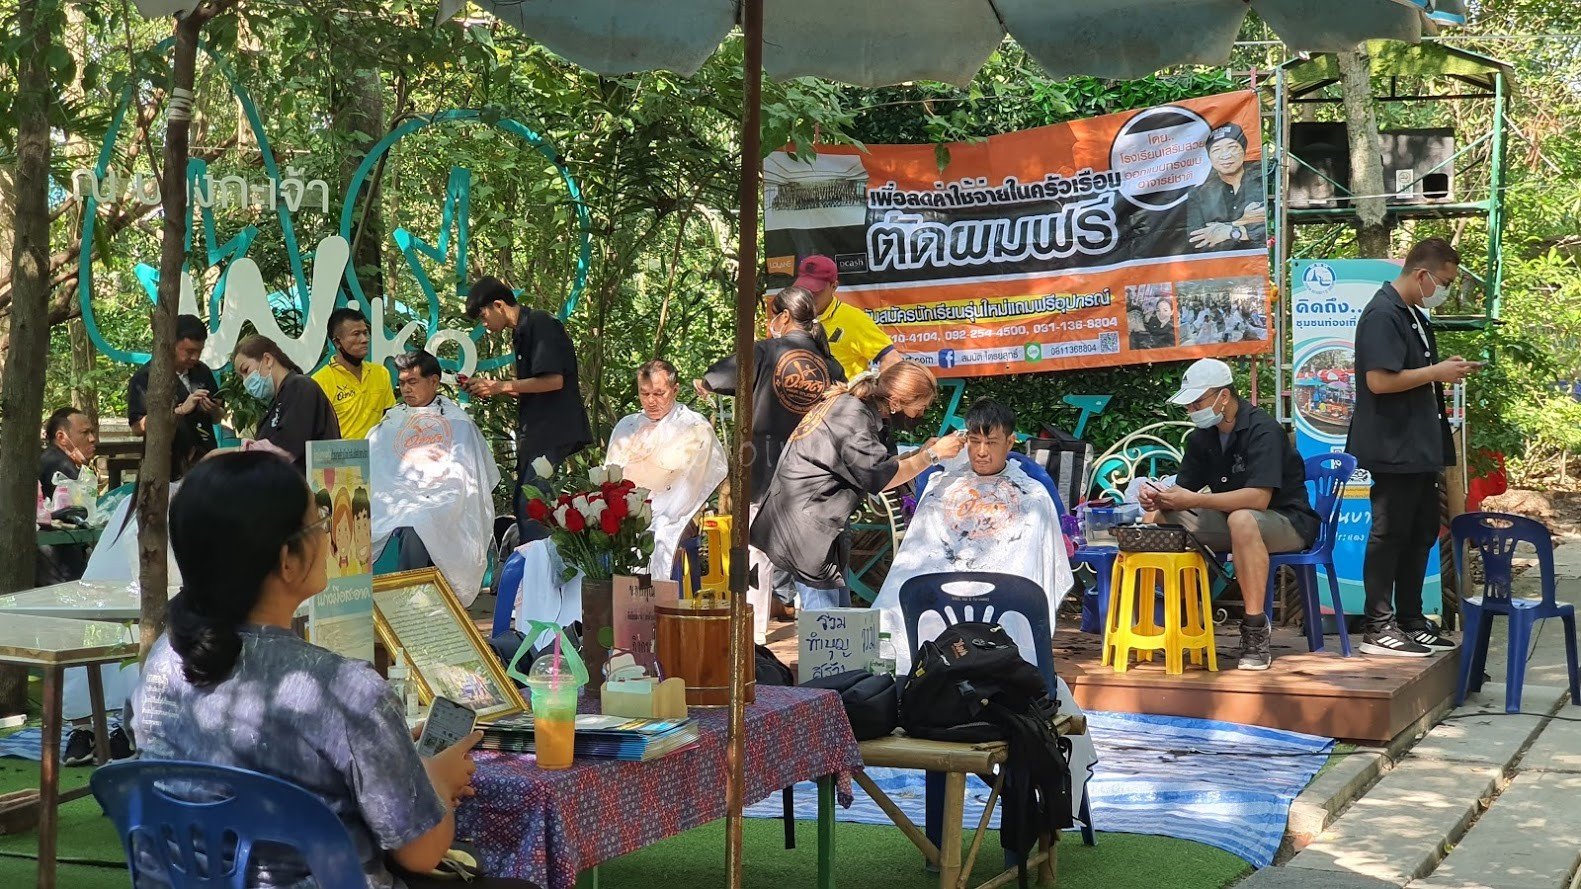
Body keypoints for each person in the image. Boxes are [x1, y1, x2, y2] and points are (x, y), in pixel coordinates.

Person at [131, 452, 539, 889]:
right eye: (319, 523)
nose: (329, 535)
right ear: (288, 560)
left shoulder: (162, 662)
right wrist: (436, 782)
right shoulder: (347, 691)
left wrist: (388, 747)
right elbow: (423, 852)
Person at [1141, 358, 1320, 671]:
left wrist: (1194, 499)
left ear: (1223, 396)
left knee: (1242, 518)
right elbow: (1183, 490)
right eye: (1188, 405)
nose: (1191, 410)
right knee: (1155, 519)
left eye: (1197, 402)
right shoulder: (1202, 436)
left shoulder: (1263, 429)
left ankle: (1255, 629)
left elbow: (1258, 499)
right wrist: (1158, 498)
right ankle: (1174, 616)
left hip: (1287, 521)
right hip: (1233, 521)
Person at [873, 399, 1075, 674]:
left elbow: (1033, 568)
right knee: (894, 615)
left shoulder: (1033, 495)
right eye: (975, 441)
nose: (981, 452)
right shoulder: (941, 488)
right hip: (938, 589)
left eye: (991, 442)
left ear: (1010, 442)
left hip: (1003, 594)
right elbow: (918, 556)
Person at [1349, 237, 1478, 657]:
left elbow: (1417, 373)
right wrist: (1435, 372)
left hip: (1419, 444)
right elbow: (1378, 381)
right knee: (1389, 532)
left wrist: (1443, 370)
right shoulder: (1382, 314)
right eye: (1444, 282)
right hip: (1392, 444)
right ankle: (1377, 626)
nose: (1444, 291)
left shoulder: (1414, 315)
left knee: (1421, 530)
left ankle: (1410, 618)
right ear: (1422, 274)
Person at [751, 359, 964, 613]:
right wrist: (932, 456)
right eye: (919, 408)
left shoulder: (861, 411)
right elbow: (881, 478)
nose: (921, 415)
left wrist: (921, 453)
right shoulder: (852, 417)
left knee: (841, 621)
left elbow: (881, 465)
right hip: (806, 526)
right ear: (896, 402)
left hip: (817, 521)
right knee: (826, 623)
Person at [697, 286, 846, 642]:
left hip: (762, 470)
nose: (768, 323)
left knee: (756, 558)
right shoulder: (831, 366)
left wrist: (704, 385)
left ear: (784, 317)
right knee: (814, 566)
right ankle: (827, 648)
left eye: (771, 315)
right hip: (816, 479)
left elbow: (715, 378)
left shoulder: (764, 352)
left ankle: (753, 642)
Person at [463, 277, 592, 542]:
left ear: (499, 305)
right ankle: (534, 559)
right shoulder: (521, 332)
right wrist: (491, 388)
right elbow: (532, 385)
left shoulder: (540, 323)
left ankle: (539, 561)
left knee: (531, 502)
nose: (484, 324)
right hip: (536, 430)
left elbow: (554, 380)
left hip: (553, 428)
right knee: (524, 500)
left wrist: (500, 386)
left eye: (483, 316)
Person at [369, 350, 502, 605]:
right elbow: (375, 464)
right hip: (397, 495)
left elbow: (469, 474)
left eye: (413, 382)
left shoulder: (457, 421)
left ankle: (411, 602)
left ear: (434, 381)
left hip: (446, 496)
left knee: (417, 520)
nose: (406, 389)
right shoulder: (393, 420)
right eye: (402, 383)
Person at [606, 359, 727, 580]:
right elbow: (611, 475)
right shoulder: (627, 426)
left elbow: (690, 487)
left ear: (675, 389)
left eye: (659, 393)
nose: (651, 401)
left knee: (659, 532)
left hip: (673, 513)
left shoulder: (694, 427)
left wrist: (654, 512)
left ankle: (651, 597)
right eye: (644, 393)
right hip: (626, 510)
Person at [128, 313, 222, 474]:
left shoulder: (202, 371)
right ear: (171, 345)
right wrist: (180, 411)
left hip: (205, 461)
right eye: (189, 351)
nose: (195, 357)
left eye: (199, 351)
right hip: (167, 465)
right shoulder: (145, 378)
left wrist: (213, 409)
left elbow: (218, 416)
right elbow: (137, 428)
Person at [232, 334, 341, 470]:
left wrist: (238, 453)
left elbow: (285, 449)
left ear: (267, 359)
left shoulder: (301, 387)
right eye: (241, 377)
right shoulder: (278, 402)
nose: (245, 382)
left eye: (246, 370)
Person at [793, 254, 901, 380]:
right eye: (804, 288)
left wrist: (875, 389)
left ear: (834, 286)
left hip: (843, 392)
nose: (809, 295)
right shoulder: (791, 316)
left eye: (816, 289)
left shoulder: (854, 319)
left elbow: (892, 359)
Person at [36, 407, 98, 585]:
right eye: (85, 433)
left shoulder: (49, 458)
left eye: (92, 432)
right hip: (56, 565)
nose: (92, 438)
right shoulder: (61, 466)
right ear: (62, 437)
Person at [313, 307, 396, 440]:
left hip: (377, 452)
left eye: (365, 333)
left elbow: (390, 419)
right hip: (339, 453)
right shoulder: (320, 381)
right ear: (337, 342)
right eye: (356, 334)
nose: (364, 339)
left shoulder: (381, 373)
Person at [1187, 123, 1266, 252]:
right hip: (1219, 262)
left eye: (1232, 147)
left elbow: (1268, 230)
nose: (1225, 155)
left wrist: (1228, 232)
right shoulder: (1198, 194)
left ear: (1244, 150)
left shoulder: (1263, 180)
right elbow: (1196, 240)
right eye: (1216, 150)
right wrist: (1241, 222)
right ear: (1209, 157)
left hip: (1259, 260)